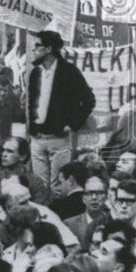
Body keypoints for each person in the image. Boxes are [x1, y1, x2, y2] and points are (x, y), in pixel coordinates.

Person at [27, 31, 95, 198]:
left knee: (58, 188)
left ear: (49, 49)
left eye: (37, 47)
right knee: (39, 188)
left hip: (58, 139)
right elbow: (32, 101)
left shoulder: (69, 72)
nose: (33, 50)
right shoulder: (35, 73)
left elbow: (88, 100)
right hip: (37, 139)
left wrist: (72, 124)